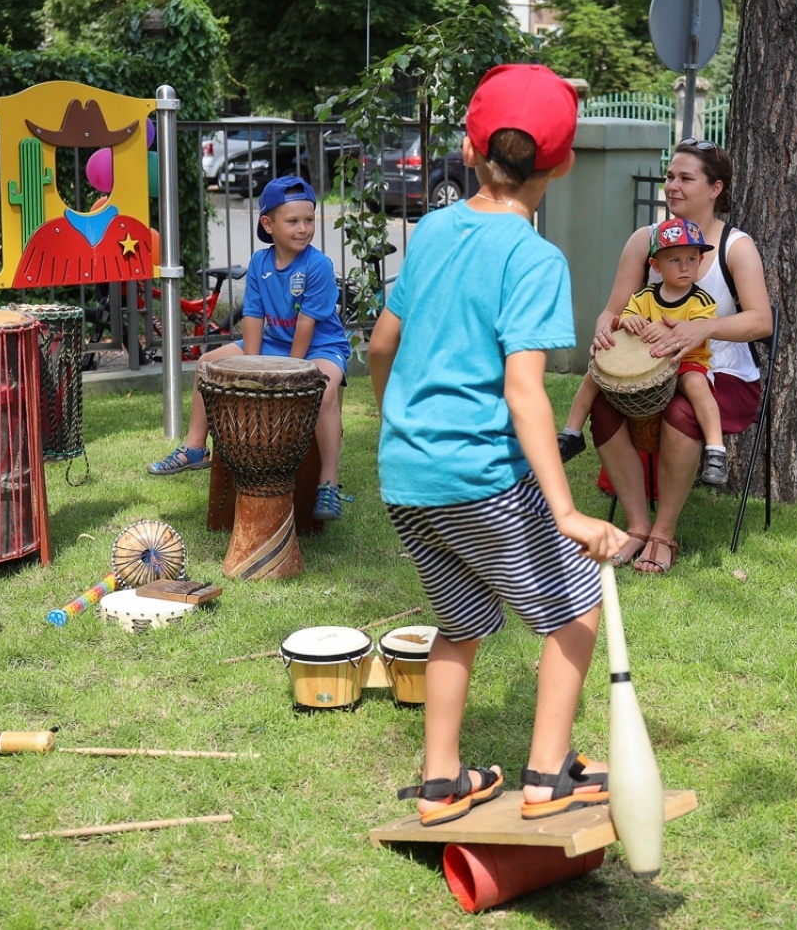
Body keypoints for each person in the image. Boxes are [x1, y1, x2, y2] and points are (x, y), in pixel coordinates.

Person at [369, 64, 627, 826]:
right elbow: (523, 391)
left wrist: (399, 417)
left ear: (470, 146)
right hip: (484, 475)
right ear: (565, 160)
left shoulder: (435, 229)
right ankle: (549, 773)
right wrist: (567, 510)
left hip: (407, 474)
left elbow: (383, 344)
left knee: (462, 620)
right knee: (576, 609)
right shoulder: (535, 258)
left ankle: (442, 780)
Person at [578, 139, 774, 574]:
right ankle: (637, 526)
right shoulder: (645, 240)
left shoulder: (736, 247)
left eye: (686, 178)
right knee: (605, 407)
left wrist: (705, 326)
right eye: (670, 176)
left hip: (719, 371)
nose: (672, 186)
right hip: (655, 366)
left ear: (715, 188)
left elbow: (761, 321)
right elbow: (614, 308)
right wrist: (603, 325)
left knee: (682, 410)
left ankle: (664, 534)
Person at [148, 175, 352, 521]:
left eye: (308, 220)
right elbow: (254, 316)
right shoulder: (260, 263)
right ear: (268, 224)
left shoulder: (318, 266)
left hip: (321, 345)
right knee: (207, 365)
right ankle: (195, 447)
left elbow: (307, 325)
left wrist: (288, 374)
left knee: (326, 390)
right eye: (293, 221)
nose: (303, 229)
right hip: (273, 344)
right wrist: (254, 365)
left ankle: (328, 485)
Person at [615, 217, 728, 485]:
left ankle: (715, 450)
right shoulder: (644, 296)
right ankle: (572, 431)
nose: (685, 266)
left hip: (686, 361)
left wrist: (675, 333)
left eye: (691, 259)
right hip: (650, 363)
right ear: (655, 265)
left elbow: (700, 328)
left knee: (697, 386)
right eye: (675, 260)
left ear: (700, 261)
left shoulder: (701, 300)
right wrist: (626, 320)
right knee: (597, 379)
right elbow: (626, 316)